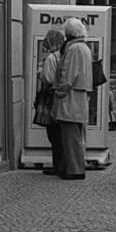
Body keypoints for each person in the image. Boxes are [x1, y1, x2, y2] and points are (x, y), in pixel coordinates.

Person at [53, 17, 94, 180]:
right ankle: (67, 167)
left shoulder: (73, 48)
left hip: (71, 97)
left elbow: (68, 75)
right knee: (73, 134)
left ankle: (76, 169)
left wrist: (59, 91)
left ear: (70, 32)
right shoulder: (84, 47)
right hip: (80, 96)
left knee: (71, 136)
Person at [39, 29, 66, 176]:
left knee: (54, 135)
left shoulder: (50, 58)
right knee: (61, 134)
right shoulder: (64, 55)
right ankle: (61, 164)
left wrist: (40, 75)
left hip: (50, 99)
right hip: (62, 98)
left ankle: (58, 166)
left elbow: (48, 79)